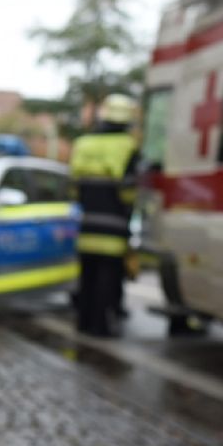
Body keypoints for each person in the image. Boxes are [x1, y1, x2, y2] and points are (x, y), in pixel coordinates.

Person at [69, 93, 140, 337]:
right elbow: (130, 190)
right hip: (114, 224)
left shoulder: (83, 143)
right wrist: (129, 209)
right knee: (107, 278)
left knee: (87, 277)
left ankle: (83, 322)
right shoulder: (127, 146)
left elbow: (74, 186)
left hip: (87, 222)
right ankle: (100, 326)